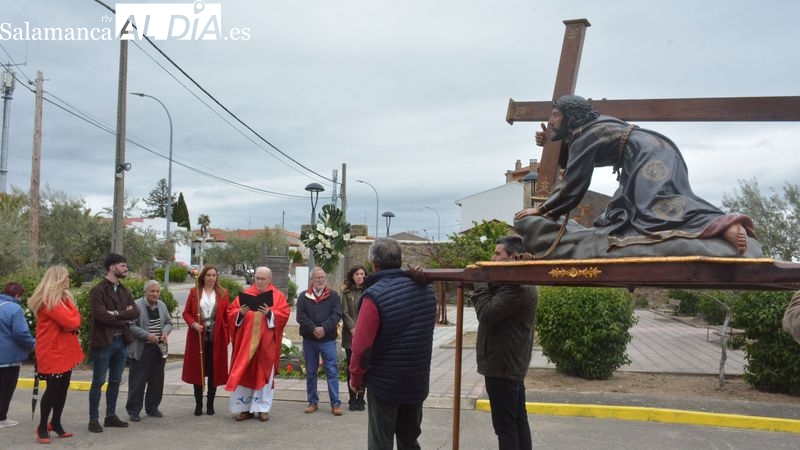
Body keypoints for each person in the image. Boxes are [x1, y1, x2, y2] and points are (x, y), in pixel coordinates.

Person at [513, 95, 761, 260]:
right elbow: (577, 159)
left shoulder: (585, 135)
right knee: (618, 213)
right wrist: (551, 141)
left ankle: (723, 225)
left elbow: (575, 183)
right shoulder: (588, 128)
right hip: (654, 150)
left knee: (656, 209)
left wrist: (543, 210)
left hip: (649, 156)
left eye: (556, 115)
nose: (551, 120)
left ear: (572, 117)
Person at [349, 238, 437, 449]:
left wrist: (356, 378)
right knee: (409, 439)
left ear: (374, 264)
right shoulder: (427, 291)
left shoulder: (374, 296)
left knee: (381, 441)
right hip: (416, 379)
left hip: (385, 383)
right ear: (399, 260)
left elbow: (362, 347)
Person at [473, 236, 538, 450]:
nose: (492, 258)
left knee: (506, 427)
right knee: (517, 422)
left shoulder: (516, 287)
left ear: (513, 256)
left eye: (497, 254)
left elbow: (487, 313)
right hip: (508, 364)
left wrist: (480, 281)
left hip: (503, 366)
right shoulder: (517, 281)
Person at [225, 266, 290, 422]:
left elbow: (284, 314)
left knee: (263, 375)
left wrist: (270, 314)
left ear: (270, 280)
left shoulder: (278, 296)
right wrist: (240, 313)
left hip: (265, 346)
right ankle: (245, 409)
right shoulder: (245, 295)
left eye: (263, 279)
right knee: (245, 374)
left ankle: (262, 409)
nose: (259, 282)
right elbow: (230, 313)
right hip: (245, 345)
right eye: (257, 278)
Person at [28, 266, 83, 444]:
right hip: (53, 352)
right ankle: (42, 427)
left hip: (65, 351)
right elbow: (71, 321)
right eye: (66, 277)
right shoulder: (49, 301)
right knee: (53, 390)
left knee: (62, 388)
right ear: (59, 279)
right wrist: (74, 318)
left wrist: (73, 319)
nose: (69, 280)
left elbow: (73, 322)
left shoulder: (63, 300)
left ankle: (56, 422)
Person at [88, 253, 139, 433]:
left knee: (116, 381)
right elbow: (101, 317)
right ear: (112, 267)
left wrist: (116, 314)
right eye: (123, 266)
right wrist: (123, 317)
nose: (126, 269)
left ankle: (110, 416)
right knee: (99, 381)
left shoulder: (124, 290)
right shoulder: (98, 290)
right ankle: (93, 419)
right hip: (104, 342)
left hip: (121, 341)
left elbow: (135, 312)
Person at [182, 265, 230, 416]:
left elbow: (227, 316)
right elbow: (186, 312)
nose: (211, 278)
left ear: (217, 277)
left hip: (216, 338)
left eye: (214, 275)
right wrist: (193, 323)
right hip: (198, 337)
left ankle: (210, 404)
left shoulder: (223, 293)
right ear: (203, 276)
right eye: (208, 275)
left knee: (213, 370)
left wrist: (226, 333)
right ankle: (198, 404)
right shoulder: (194, 292)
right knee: (198, 370)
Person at [296, 267, 343, 416]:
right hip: (310, 340)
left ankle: (335, 404)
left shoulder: (334, 296)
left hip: (328, 340)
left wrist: (323, 328)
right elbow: (300, 317)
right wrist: (314, 329)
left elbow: (337, 315)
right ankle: (312, 402)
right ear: (312, 280)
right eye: (318, 278)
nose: (321, 280)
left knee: (332, 372)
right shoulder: (303, 296)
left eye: (323, 277)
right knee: (311, 372)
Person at [125, 280, 173, 422]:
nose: (155, 294)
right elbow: (130, 325)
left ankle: (152, 407)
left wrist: (165, 332)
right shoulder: (136, 305)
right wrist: (147, 335)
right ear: (145, 292)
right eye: (152, 291)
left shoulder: (162, 305)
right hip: (142, 349)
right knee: (137, 381)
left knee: (157, 380)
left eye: (157, 291)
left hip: (158, 349)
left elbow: (169, 323)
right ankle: (134, 411)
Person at [0, 282, 35, 429]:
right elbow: (21, 333)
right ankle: (1, 418)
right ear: (17, 296)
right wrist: (34, 344)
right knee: (6, 388)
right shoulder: (15, 308)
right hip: (9, 357)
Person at [341, 264, 367, 411]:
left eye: (362, 274)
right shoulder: (346, 292)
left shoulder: (369, 291)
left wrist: (362, 329)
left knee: (364, 366)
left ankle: (361, 398)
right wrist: (353, 328)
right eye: (357, 274)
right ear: (352, 276)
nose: (360, 277)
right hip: (350, 335)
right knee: (351, 367)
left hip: (365, 335)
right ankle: (351, 398)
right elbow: (344, 312)